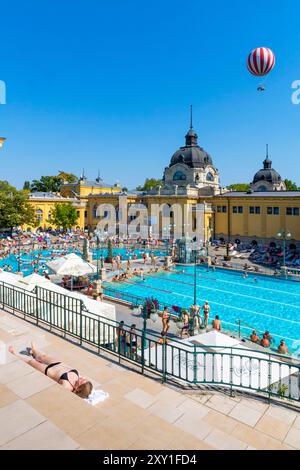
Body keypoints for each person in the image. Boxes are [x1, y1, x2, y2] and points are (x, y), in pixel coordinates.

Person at [8, 342, 93, 398]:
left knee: (31, 362)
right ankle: (34, 351)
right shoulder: (79, 379)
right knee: (43, 356)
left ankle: (14, 354)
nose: (83, 378)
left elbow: (59, 394)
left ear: (77, 388)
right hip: (58, 363)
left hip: (48, 370)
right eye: (85, 380)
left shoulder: (67, 386)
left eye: (83, 381)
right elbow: (86, 390)